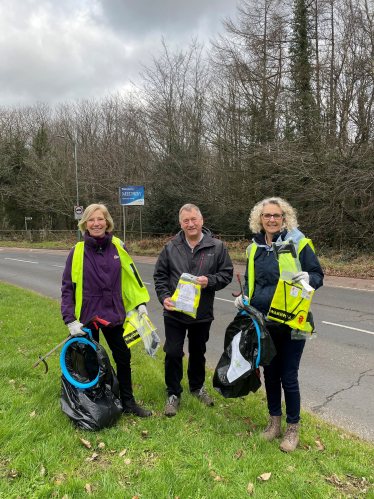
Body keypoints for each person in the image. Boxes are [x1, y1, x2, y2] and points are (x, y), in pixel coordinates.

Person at [235, 197, 323, 452]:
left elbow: (318, 275)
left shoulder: (300, 243)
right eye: (267, 216)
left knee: (289, 376)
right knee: (271, 376)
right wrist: (244, 298)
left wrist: (308, 277)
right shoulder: (254, 248)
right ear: (259, 220)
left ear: (285, 218)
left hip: (293, 321)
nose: (271, 220)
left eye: (276, 215)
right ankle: (274, 424)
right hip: (263, 322)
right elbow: (251, 281)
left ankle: (292, 429)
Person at [61, 203, 152, 418]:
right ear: (85, 224)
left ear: (107, 222)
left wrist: (139, 303)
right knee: (90, 362)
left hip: (114, 313)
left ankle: (128, 403)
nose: (96, 223)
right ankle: (93, 405)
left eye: (100, 219)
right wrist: (70, 320)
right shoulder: (77, 252)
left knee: (123, 357)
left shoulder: (118, 246)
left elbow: (131, 278)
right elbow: (67, 288)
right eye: (91, 220)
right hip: (87, 317)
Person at [154, 203, 233, 417]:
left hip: (201, 312)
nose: (191, 224)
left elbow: (226, 274)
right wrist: (164, 297)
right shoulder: (170, 247)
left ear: (202, 220)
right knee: (172, 353)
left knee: (198, 352)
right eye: (186, 221)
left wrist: (210, 281)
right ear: (181, 224)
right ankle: (173, 393)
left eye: (194, 219)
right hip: (175, 312)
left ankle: (197, 387)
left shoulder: (217, 247)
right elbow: (160, 276)